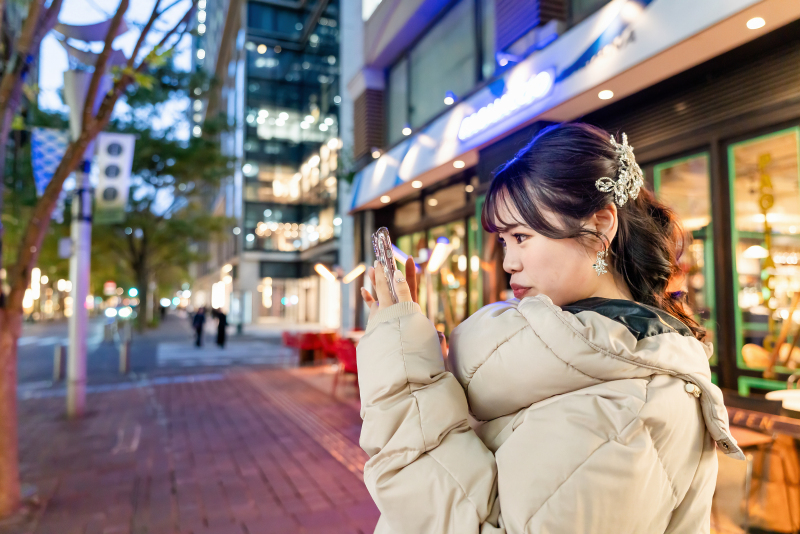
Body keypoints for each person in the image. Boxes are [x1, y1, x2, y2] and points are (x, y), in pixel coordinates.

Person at [357, 123, 743, 533]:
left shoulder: (631, 406)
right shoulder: (551, 362)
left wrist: (406, 381)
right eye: (504, 241)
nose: (508, 262)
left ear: (599, 227)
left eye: (522, 236)